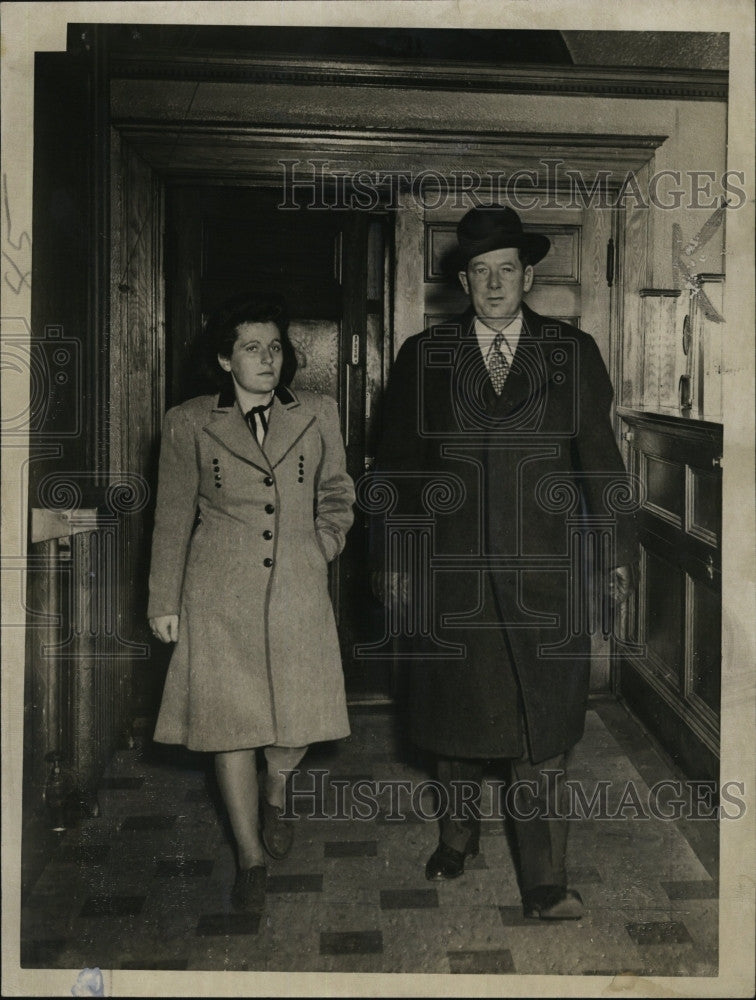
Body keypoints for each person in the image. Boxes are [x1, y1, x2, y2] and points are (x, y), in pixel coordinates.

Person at [373, 205, 637, 920]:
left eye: (506, 271)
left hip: (544, 572)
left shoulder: (571, 353)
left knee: (542, 728)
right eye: (479, 272)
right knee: (455, 723)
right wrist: (396, 563)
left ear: (528, 276)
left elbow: (601, 463)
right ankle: (457, 838)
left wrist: (613, 554)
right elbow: (396, 469)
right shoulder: (422, 356)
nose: (493, 285)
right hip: (450, 574)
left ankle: (545, 880)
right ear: (465, 280)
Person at [147, 292, 354, 914]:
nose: (268, 359)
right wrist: (164, 599)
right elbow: (171, 515)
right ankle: (250, 856)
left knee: (295, 722)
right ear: (223, 359)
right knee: (229, 726)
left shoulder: (318, 411)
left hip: (296, 587)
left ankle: (277, 789)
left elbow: (338, 493)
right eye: (251, 348)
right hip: (217, 592)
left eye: (276, 347)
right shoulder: (188, 421)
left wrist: (320, 544)